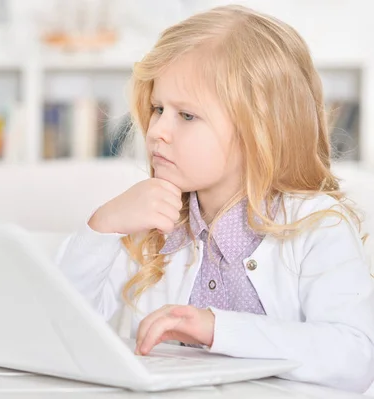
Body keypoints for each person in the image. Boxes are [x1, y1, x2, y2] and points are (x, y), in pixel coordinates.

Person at [57, 5, 374, 393]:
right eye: (158, 109)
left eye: (186, 116)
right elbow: (62, 328)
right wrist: (102, 227)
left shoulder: (318, 225)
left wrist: (216, 329)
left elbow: (355, 357)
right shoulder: (151, 223)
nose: (157, 130)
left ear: (260, 128)